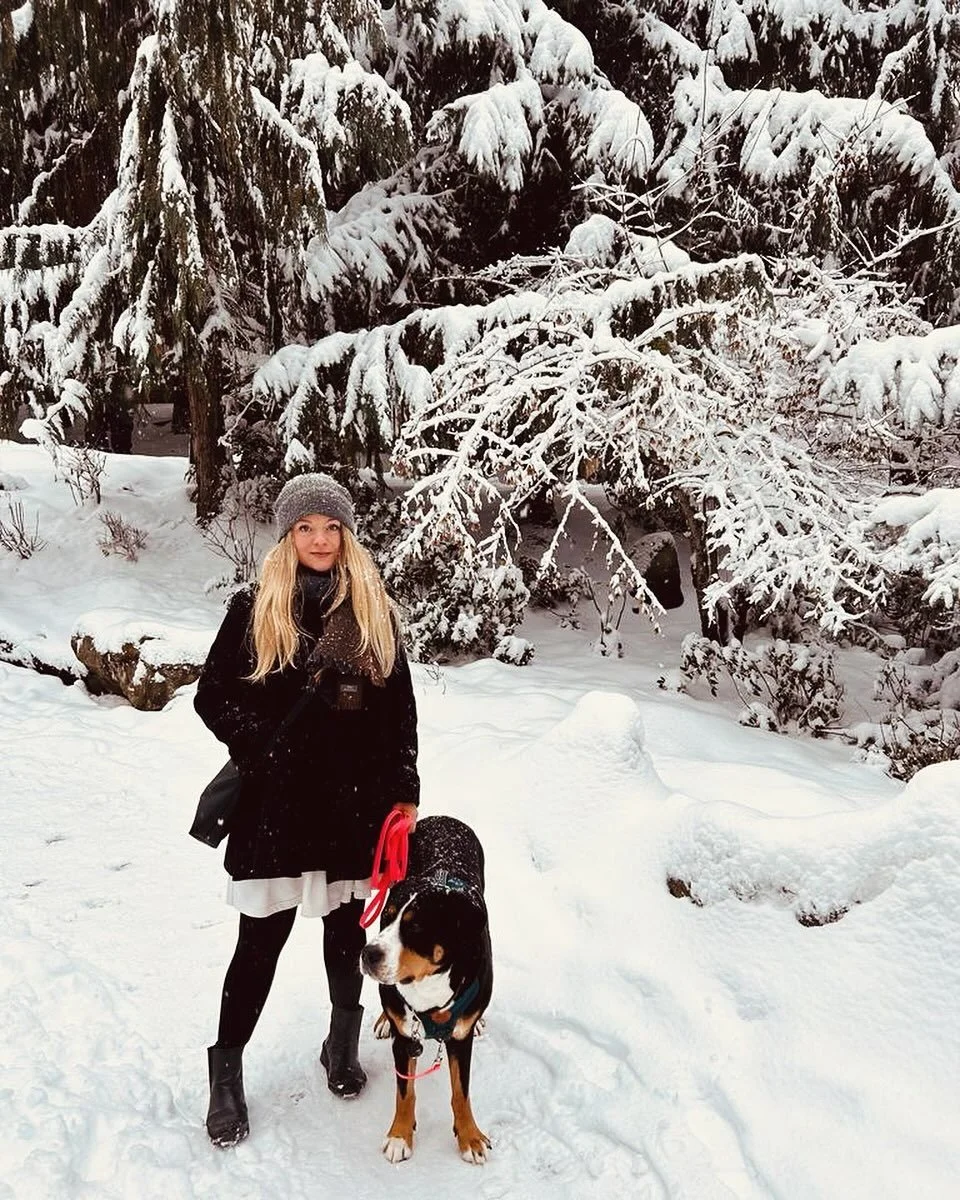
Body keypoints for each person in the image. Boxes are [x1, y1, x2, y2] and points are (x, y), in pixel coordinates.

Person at [194, 472, 419, 1148]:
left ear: (345, 534)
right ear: (288, 536)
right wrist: (258, 745)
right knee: (260, 942)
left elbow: (399, 713)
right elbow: (211, 695)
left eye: (330, 527)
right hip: (277, 806)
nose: (319, 539)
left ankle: (340, 1044)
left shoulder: (373, 608)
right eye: (305, 528)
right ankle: (226, 1072)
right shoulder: (256, 605)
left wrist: (404, 789)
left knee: (348, 933)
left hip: (355, 803)